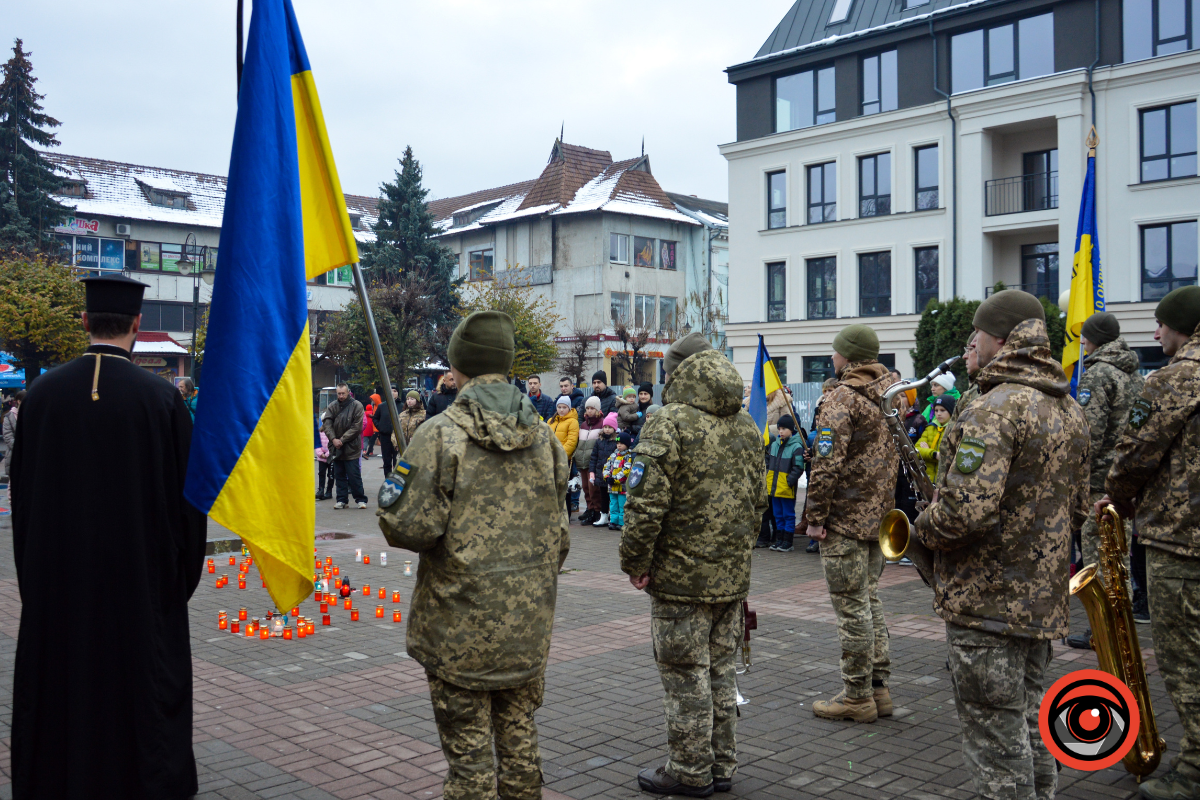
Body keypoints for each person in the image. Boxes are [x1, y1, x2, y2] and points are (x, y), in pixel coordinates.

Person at [9, 274, 207, 799]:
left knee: (62, 696)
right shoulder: (162, 400)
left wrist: (36, 578)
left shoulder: (41, 396)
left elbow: (21, 502)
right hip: (140, 592)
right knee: (139, 700)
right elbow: (189, 510)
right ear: (138, 327)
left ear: (84, 322)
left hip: (59, 589)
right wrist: (173, 587)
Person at [377, 310, 570, 800]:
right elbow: (561, 537)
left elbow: (408, 527)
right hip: (526, 625)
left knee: (469, 759)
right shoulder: (546, 438)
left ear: (458, 365)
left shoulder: (440, 434)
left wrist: (395, 492)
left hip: (458, 626)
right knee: (520, 735)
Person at [913, 290, 1090, 800]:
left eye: (977, 335)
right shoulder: (1068, 407)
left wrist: (923, 528)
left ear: (1000, 339)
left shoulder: (994, 408)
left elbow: (964, 511)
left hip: (987, 602)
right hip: (1040, 601)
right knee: (1030, 723)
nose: (972, 343)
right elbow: (1077, 508)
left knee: (994, 737)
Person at [620, 331, 767, 796]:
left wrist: (635, 562)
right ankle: (722, 765)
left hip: (681, 580)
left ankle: (688, 769)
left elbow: (645, 504)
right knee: (720, 670)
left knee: (686, 675)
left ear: (678, 370)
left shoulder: (669, 422)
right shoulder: (745, 424)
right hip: (731, 577)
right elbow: (757, 502)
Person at [1097, 285, 1200, 800]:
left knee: (1185, 662)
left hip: (1182, 545)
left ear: (1182, 325)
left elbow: (1134, 452)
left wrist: (1116, 497)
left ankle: (1196, 772)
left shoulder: (1177, 377)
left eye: (1161, 323)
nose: (1156, 332)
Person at [805, 324, 898, 723]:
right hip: (879, 518)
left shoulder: (842, 399)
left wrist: (815, 518)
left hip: (844, 519)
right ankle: (879, 689)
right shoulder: (892, 394)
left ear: (849, 357)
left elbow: (826, 465)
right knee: (869, 600)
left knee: (852, 607)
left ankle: (857, 695)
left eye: (836, 351)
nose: (832, 358)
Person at [1065, 312, 1147, 648]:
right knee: (1118, 556)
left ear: (1096, 337)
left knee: (1099, 556)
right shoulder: (1134, 375)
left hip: (1100, 482)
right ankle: (1118, 628)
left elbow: (1090, 433)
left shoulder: (1098, 374)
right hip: (1125, 479)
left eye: (1084, 336)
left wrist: (1074, 476)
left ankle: (1106, 631)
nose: (1081, 342)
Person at [321, 383, 368, 509]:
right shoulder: (332, 406)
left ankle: (360, 499)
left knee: (354, 475)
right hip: (336, 447)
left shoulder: (357, 405)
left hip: (352, 447)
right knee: (339, 475)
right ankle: (342, 500)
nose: (341, 396)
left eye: (343, 393)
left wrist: (342, 440)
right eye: (339, 393)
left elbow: (357, 427)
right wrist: (333, 439)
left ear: (348, 392)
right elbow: (327, 424)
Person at [765, 415, 804, 553]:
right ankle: (779, 539)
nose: (781, 431)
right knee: (777, 514)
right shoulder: (775, 444)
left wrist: (789, 481)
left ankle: (788, 541)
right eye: (779, 428)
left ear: (792, 430)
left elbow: (798, 467)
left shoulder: (796, 447)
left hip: (786, 487)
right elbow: (768, 461)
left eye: (784, 429)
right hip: (774, 487)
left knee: (788, 514)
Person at [575, 396, 606, 525]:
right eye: (587, 408)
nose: (589, 411)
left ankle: (597, 510)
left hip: (593, 462)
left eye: (592, 408)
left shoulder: (602, 424)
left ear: (598, 409)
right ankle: (589, 508)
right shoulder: (583, 424)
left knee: (594, 489)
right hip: (582, 460)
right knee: (586, 488)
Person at [589, 412, 620, 528]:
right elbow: (594, 457)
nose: (607, 430)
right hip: (601, 473)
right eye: (605, 427)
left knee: (613, 496)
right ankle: (603, 516)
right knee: (603, 496)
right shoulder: (599, 441)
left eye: (610, 427)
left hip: (612, 474)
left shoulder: (616, 441)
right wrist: (592, 472)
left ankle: (614, 516)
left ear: (614, 428)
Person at [915, 395, 955, 482]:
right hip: (927, 479)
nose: (938, 413)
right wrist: (934, 454)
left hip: (945, 480)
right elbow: (916, 451)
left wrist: (926, 452)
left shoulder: (955, 430)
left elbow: (950, 456)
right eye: (936, 410)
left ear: (951, 411)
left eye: (942, 410)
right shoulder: (930, 428)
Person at [602, 431, 633, 531]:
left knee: (622, 505)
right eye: (618, 443)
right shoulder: (613, 455)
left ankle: (621, 522)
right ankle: (613, 521)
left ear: (627, 445)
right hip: (612, 487)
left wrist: (615, 479)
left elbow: (626, 470)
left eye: (622, 444)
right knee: (613, 504)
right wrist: (606, 476)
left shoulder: (628, 456)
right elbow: (606, 466)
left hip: (622, 487)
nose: (619, 445)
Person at [373, 386, 402, 475]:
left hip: (398, 437)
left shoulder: (402, 406)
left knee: (398, 461)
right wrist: (381, 427)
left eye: (395, 391)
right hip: (385, 437)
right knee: (387, 461)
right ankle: (388, 480)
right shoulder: (382, 406)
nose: (393, 393)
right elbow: (375, 418)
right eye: (390, 391)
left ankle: (397, 481)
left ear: (398, 393)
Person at [549, 395, 580, 462]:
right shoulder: (551, 421)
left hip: (563, 459)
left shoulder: (573, 422)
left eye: (564, 407)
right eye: (559, 407)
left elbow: (571, 442)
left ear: (569, 408)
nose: (561, 410)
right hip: (549, 457)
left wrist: (560, 454)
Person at [3, 389, 24, 483]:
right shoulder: (9, 416)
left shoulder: (32, 414)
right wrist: (19, 447)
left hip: (29, 455)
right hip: (14, 454)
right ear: (18, 401)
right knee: (14, 484)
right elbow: (7, 436)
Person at [315, 429, 334, 499]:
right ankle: (321, 490)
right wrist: (320, 454)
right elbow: (317, 444)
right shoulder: (320, 432)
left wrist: (327, 454)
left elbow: (333, 445)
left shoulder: (333, 431)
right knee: (321, 473)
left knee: (331, 474)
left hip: (331, 457)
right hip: (321, 458)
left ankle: (329, 491)